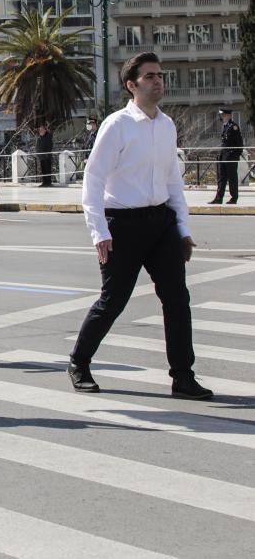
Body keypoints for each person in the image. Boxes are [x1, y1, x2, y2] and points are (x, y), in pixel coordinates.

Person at [69, 52, 212, 400]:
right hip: (122, 225)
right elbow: (93, 179)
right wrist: (99, 232)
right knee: (113, 300)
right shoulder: (117, 125)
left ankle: (183, 376)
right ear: (131, 85)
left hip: (161, 223)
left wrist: (183, 229)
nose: (158, 81)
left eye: (160, 75)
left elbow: (173, 180)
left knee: (177, 299)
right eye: (150, 76)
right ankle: (79, 362)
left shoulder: (166, 125)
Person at [209, 107, 243, 205]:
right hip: (223, 156)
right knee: (221, 178)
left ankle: (234, 198)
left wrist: (235, 156)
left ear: (228, 115)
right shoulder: (225, 126)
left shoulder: (233, 127)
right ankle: (218, 198)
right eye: (221, 115)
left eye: (223, 115)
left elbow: (239, 143)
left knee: (232, 178)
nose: (221, 116)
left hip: (231, 157)